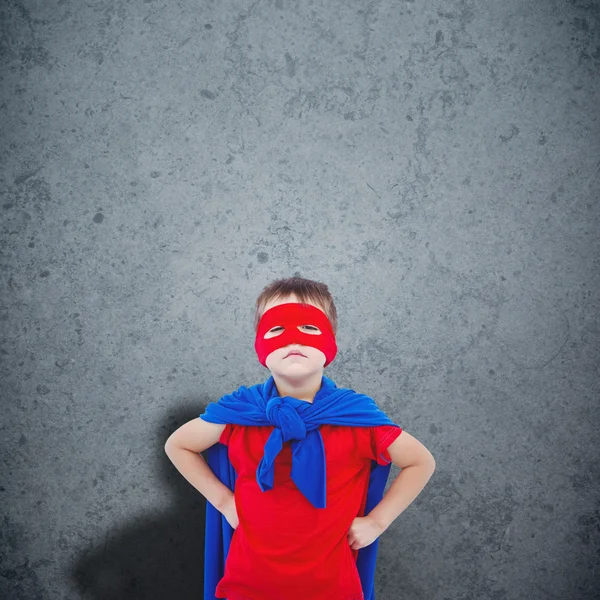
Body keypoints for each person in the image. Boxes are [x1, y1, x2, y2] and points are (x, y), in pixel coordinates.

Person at [165, 276, 436, 600]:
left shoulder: (355, 418)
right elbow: (178, 444)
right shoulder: (241, 412)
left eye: (309, 327)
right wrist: (224, 501)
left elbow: (420, 461)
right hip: (248, 586)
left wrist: (377, 522)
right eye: (277, 328)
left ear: (331, 342)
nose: (293, 339)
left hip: (332, 589)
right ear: (260, 344)